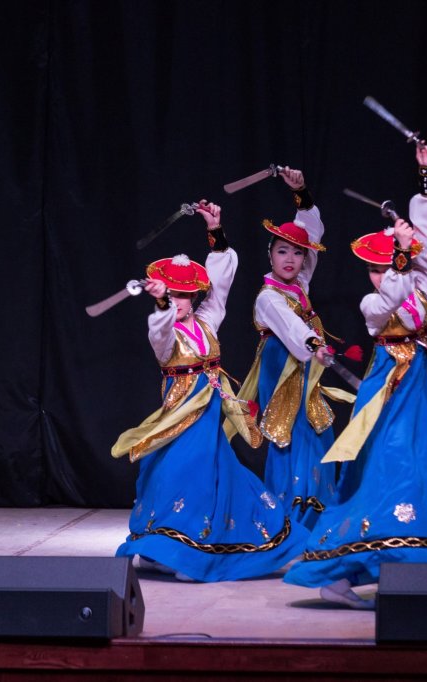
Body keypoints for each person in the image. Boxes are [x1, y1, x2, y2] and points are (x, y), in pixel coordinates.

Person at [283, 144, 427, 608]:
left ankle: (419, 565)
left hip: (421, 386)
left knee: (424, 467)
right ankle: (345, 572)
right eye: (371, 267)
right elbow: (392, 294)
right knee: (391, 468)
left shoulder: (418, 281)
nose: (376, 274)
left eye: (381, 265)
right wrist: (401, 256)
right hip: (388, 387)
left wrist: (426, 180)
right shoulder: (374, 302)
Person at [111, 200, 306, 582]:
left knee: (214, 476)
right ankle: (168, 549)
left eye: (184, 295)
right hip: (180, 415)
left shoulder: (206, 322)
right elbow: (159, 330)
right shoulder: (165, 333)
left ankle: (195, 550)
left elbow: (220, 290)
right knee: (177, 474)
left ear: (195, 297)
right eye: (173, 295)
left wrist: (215, 231)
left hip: (210, 413)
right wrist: (162, 302)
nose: (179, 302)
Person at [237, 169, 353, 531]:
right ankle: (288, 513)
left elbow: (311, 232)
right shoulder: (269, 296)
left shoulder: (299, 283)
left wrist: (301, 191)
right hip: (281, 367)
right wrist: (315, 344)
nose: (290, 259)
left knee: (316, 427)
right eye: (282, 251)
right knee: (288, 431)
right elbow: (290, 326)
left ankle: (317, 510)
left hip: (304, 365)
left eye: (297, 254)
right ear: (270, 255)